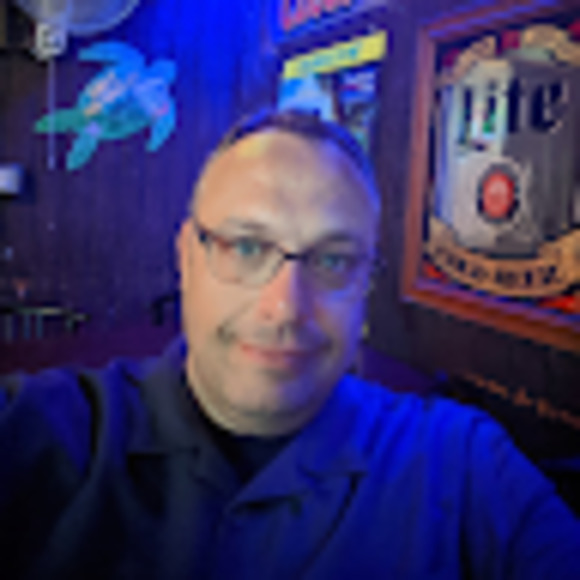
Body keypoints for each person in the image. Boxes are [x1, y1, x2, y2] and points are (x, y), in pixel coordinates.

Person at [0, 109, 578, 580]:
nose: (285, 307)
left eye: (333, 261)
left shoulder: (462, 466)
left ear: (366, 283)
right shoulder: (42, 432)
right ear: (187, 258)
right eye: (248, 247)